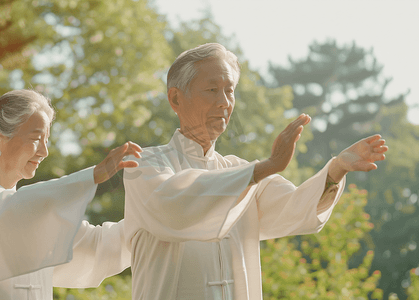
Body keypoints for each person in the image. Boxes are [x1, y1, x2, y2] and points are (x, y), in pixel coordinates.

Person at [123, 43, 388, 300]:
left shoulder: (241, 171)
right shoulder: (144, 164)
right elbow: (176, 208)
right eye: (212, 89)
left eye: (230, 90)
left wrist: (337, 168)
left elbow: (295, 207)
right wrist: (267, 166)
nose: (224, 102)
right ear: (175, 98)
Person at [0, 89, 142, 300]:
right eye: (35, 138)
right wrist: (92, 176)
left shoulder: (35, 214)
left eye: (46, 140)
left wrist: (155, 216)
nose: (44, 151)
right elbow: (6, 216)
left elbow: (99, 247)